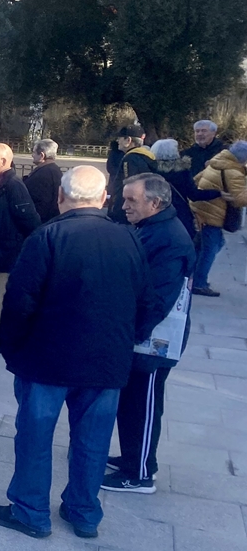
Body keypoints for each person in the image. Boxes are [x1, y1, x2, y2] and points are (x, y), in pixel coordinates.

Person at [0, 166, 151, 539]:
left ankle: (30, 511)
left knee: (35, 437)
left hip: (47, 361)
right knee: (92, 441)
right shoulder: (129, 239)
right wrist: (127, 339)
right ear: (105, 198)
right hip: (104, 362)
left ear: (62, 197)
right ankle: (83, 512)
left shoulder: (48, 237)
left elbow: (19, 302)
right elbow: (147, 301)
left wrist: (12, 348)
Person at [104, 173, 195, 494]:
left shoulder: (169, 238)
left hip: (152, 344)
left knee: (142, 405)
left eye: (131, 200)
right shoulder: (153, 228)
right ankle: (134, 457)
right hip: (141, 339)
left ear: (155, 202)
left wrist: (131, 336)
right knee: (132, 403)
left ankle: (139, 472)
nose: (123, 205)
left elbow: (157, 300)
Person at [0, 144, 41, 356]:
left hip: (4, 252)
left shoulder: (13, 185)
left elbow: (30, 220)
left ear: (4, 161)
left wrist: (13, 243)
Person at [192, 139, 247, 297]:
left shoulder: (217, 162)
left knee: (204, 246)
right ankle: (199, 283)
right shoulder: (233, 172)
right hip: (213, 214)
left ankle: (191, 276)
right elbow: (240, 199)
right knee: (210, 248)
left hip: (202, 209)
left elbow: (195, 180)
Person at [152, 138, 219, 240]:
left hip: (156, 214)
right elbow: (194, 195)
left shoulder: (151, 171)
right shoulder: (182, 171)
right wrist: (218, 193)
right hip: (180, 215)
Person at [107, 125, 156, 224]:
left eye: (119, 138)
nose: (117, 141)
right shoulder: (146, 157)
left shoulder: (130, 159)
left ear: (128, 140)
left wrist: (117, 210)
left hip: (125, 213)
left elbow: (128, 187)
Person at [23, 139, 63, 222]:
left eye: (34, 152)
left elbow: (38, 203)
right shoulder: (55, 170)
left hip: (41, 222)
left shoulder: (42, 175)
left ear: (41, 155)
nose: (32, 155)